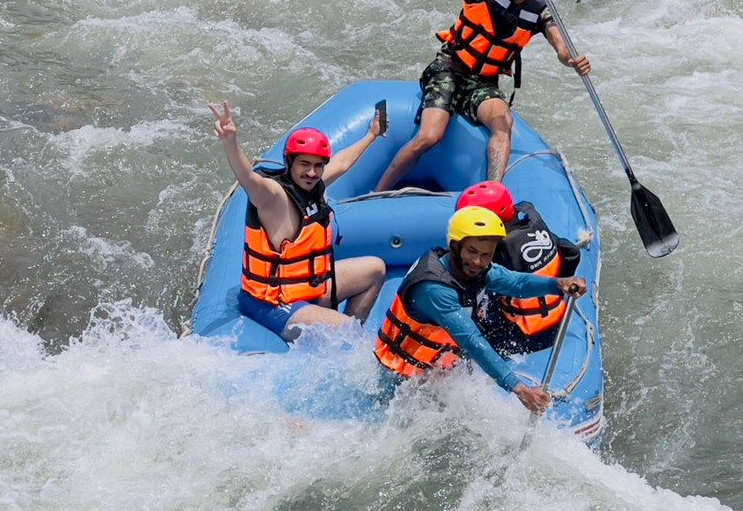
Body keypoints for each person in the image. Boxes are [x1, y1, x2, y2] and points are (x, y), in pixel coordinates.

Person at [373, 0, 591, 193]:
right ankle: (378, 191)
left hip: (483, 83)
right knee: (430, 136)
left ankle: (493, 193)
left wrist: (572, 61)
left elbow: (561, 47)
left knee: (503, 122)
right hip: (448, 69)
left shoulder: (540, 9)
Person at [373, 205, 587, 415]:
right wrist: (519, 389)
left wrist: (557, 284)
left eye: (486, 254)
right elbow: (471, 340)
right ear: (455, 246)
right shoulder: (434, 289)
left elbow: (516, 283)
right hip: (401, 381)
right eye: (472, 251)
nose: (478, 261)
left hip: (439, 368)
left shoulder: (476, 269)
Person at [210, 101, 387, 341]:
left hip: (305, 286)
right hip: (272, 302)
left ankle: (342, 338)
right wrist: (231, 142)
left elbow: (343, 163)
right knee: (348, 330)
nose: (312, 173)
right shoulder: (273, 197)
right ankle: (346, 336)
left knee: (375, 268)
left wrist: (371, 135)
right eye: (305, 164)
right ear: (290, 163)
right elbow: (248, 179)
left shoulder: (313, 186)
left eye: (318, 166)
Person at [454, 181, 582, 355]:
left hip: (524, 336)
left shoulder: (499, 248)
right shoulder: (531, 223)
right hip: (557, 321)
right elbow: (572, 252)